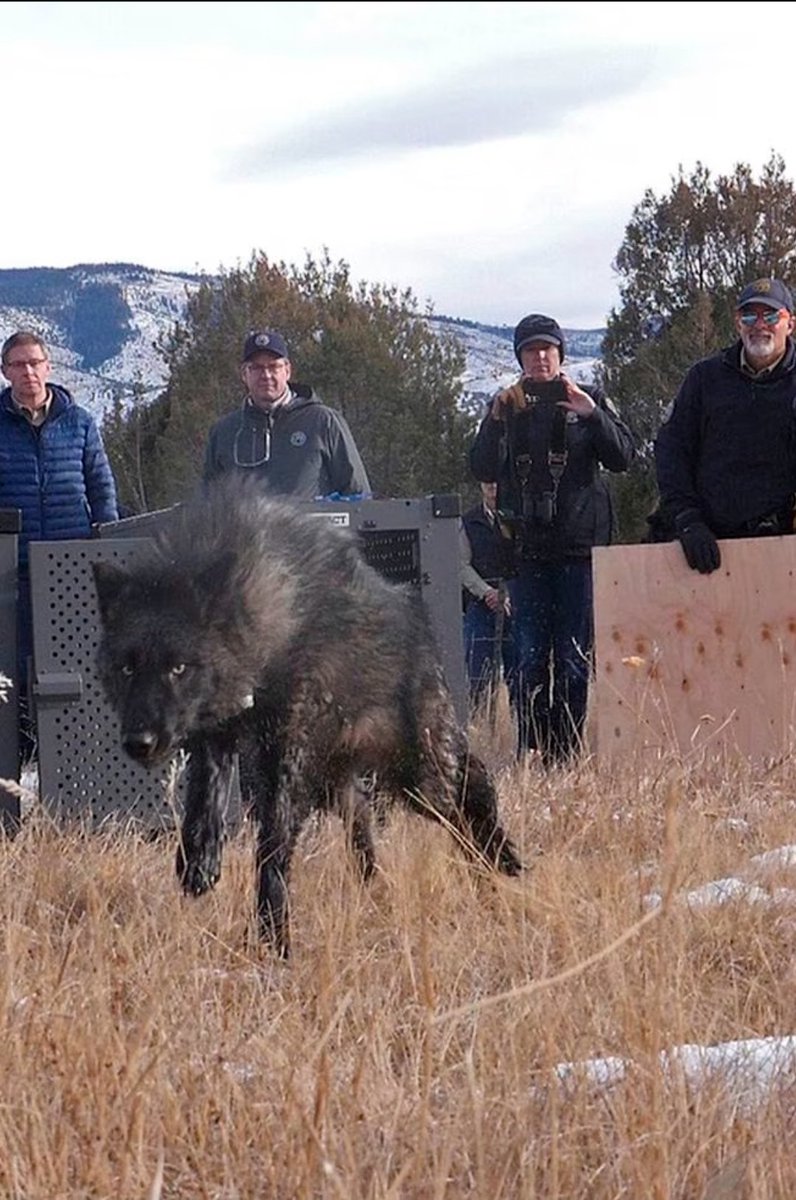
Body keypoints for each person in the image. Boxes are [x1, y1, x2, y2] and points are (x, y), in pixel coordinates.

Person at [470, 313, 635, 765]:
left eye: (547, 349)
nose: (540, 358)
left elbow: (624, 456)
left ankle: (567, 754)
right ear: (520, 358)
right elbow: (482, 468)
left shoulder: (590, 399)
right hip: (526, 554)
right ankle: (531, 750)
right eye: (530, 350)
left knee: (573, 659)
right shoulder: (506, 406)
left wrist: (592, 415)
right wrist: (494, 422)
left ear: (561, 355)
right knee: (527, 658)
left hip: (579, 553)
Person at [0, 331, 119, 766]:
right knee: (16, 671)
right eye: (18, 364)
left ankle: (77, 761)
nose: (28, 372)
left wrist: (104, 545)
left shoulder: (80, 421)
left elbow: (101, 488)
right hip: (14, 571)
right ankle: (20, 762)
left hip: (73, 570)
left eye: (34, 363)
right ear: (5, 371)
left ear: (49, 367)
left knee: (77, 668)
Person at [654, 278, 796, 574]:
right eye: (749, 316)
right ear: (737, 323)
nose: (759, 325)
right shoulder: (704, 379)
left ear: (790, 324)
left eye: (771, 316)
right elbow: (672, 451)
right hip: (710, 547)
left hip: (785, 548)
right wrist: (687, 520)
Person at [203, 329, 371, 499]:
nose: (266, 375)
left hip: (308, 526)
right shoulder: (223, 432)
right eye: (257, 368)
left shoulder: (324, 421)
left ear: (287, 371)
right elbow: (208, 503)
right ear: (244, 375)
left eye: (274, 366)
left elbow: (358, 495)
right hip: (244, 526)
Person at [460, 482, 514, 709]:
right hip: (480, 607)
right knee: (477, 678)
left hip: (516, 605)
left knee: (519, 676)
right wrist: (487, 593)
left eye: (496, 479)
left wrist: (509, 595)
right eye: (486, 480)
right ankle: (479, 732)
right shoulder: (467, 521)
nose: (492, 485)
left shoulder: (517, 517)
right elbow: (461, 565)